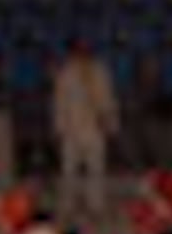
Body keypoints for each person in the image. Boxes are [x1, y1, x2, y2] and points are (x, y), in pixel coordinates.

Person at [50, 43, 123, 215]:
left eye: (85, 51)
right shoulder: (65, 74)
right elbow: (59, 103)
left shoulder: (100, 72)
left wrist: (112, 124)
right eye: (79, 51)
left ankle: (95, 204)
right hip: (72, 129)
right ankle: (68, 204)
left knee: (96, 170)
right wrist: (59, 127)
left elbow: (108, 99)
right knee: (69, 170)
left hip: (95, 127)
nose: (82, 55)